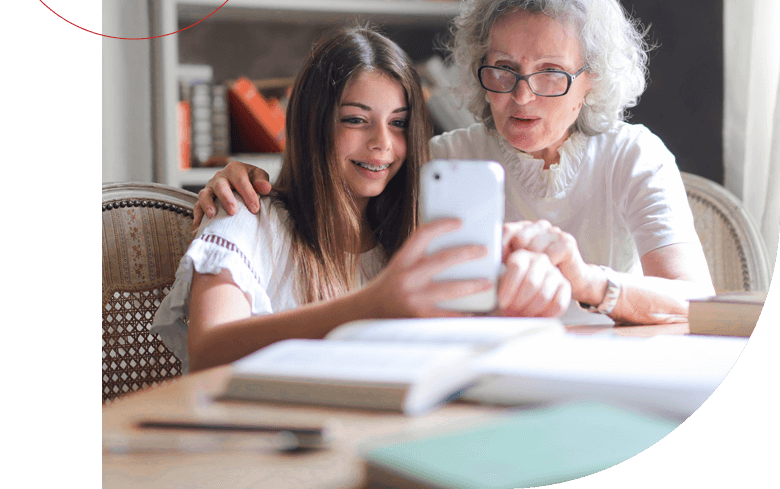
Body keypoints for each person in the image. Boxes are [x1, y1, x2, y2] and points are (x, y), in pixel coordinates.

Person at [194, 0, 716, 326]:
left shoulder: (633, 155)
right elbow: (334, 198)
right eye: (503, 69)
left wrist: (586, 281)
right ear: (477, 65)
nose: (522, 96)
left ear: (592, 80)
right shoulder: (440, 161)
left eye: (551, 73)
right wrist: (241, 180)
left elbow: (695, 299)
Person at [152, 25, 570, 373]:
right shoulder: (246, 215)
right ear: (313, 123)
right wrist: (372, 305)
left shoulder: (412, 236)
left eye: (399, 124)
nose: (382, 145)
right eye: (356, 120)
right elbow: (208, 351)